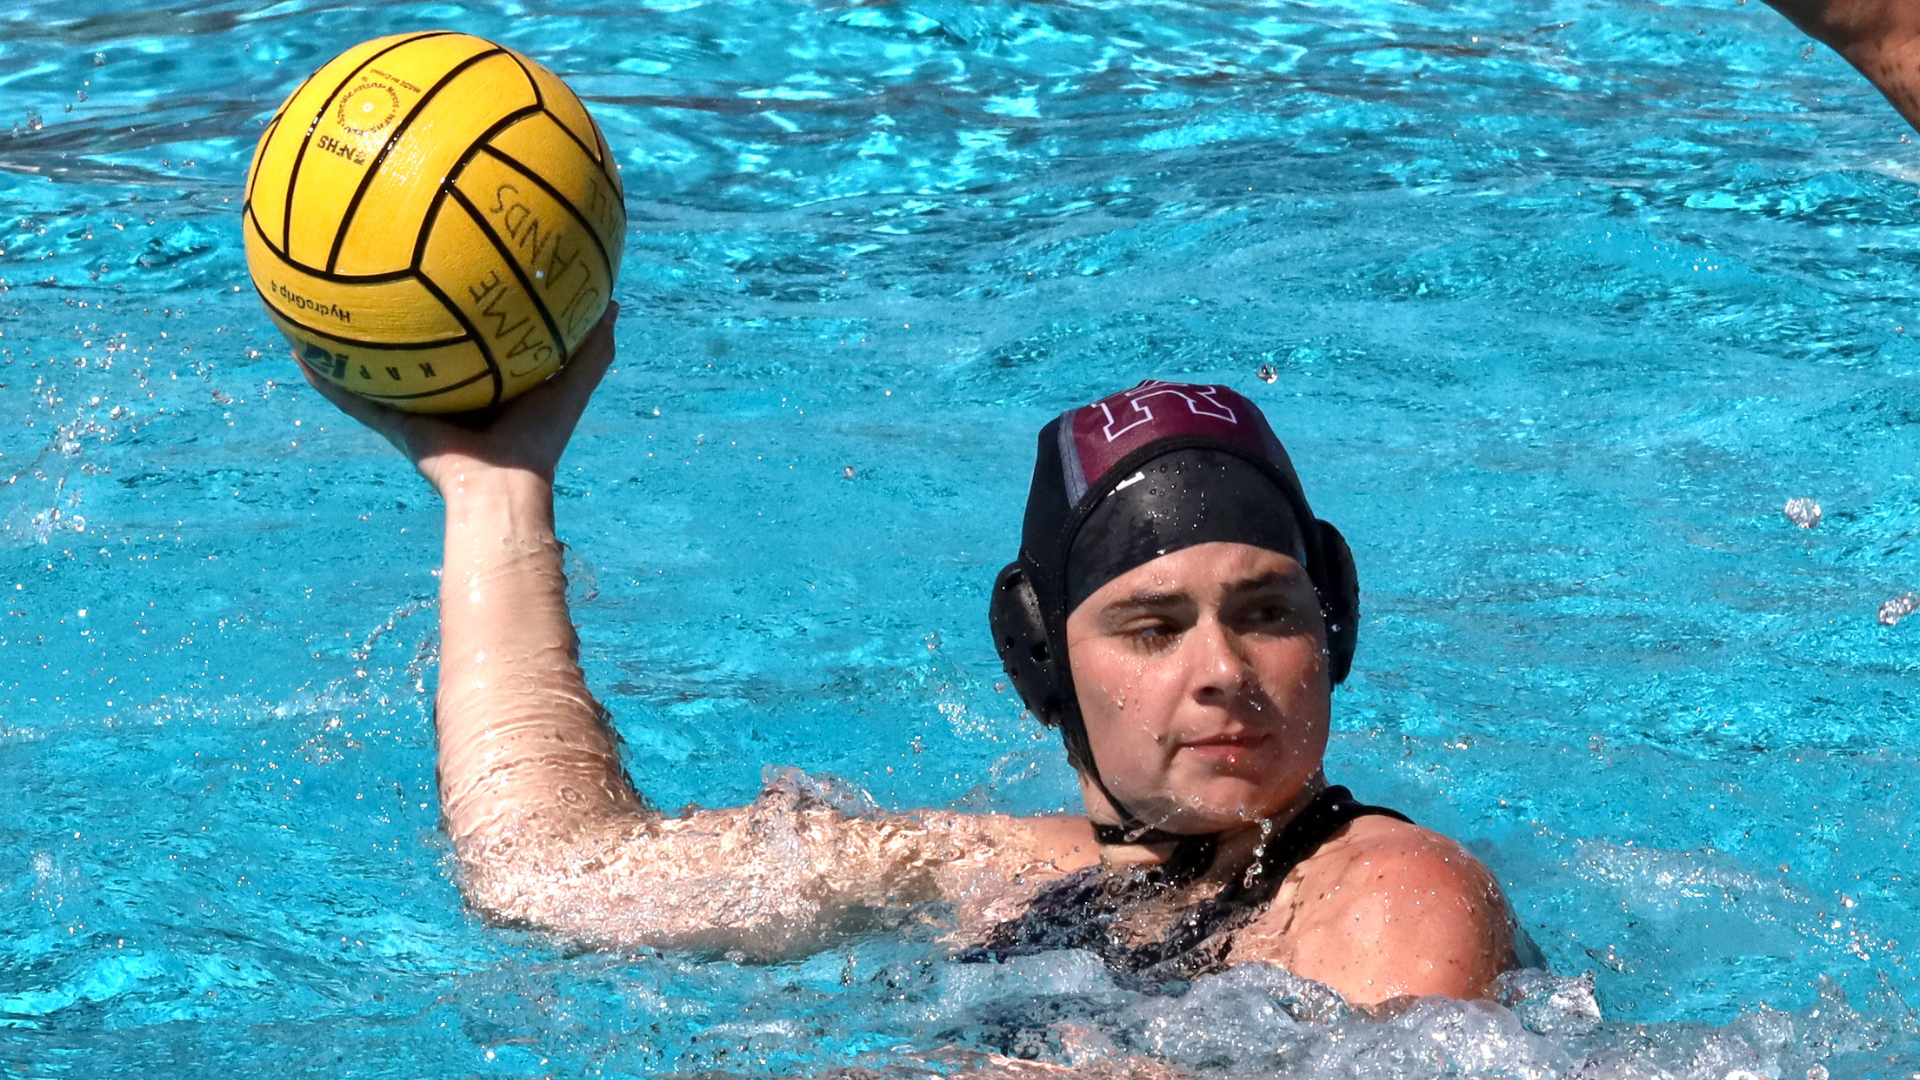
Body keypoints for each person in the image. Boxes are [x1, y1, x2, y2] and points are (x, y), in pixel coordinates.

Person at [298, 307, 1515, 1008]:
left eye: (1265, 611)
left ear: (1335, 618)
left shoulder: (1391, 899)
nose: (1221, 670)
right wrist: (496, 495)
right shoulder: (992, 870)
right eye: (1151, 626)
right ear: (1042, 662)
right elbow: (550, 878)